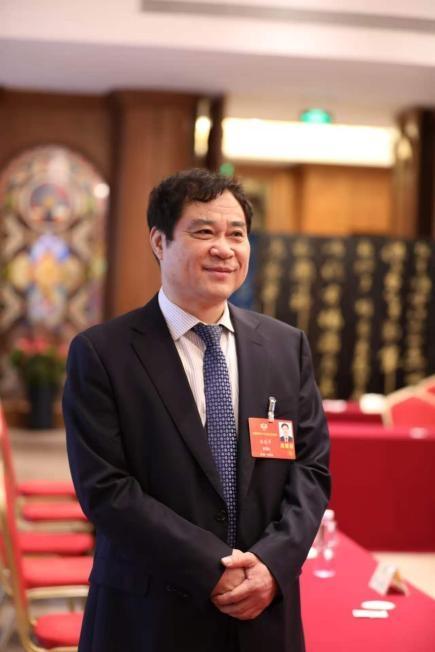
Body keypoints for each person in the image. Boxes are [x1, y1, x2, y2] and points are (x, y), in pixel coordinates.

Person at [63, 168, 330, 652]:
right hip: (149, 614)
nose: (224, 249)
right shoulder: (103, 353)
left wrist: (272, 564)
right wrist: (212, 569)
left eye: (237, 234)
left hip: (263, 610)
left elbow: (310, 468)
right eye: (204, 232)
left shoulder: (285, 347)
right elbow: (106, 489)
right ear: (159, 242)